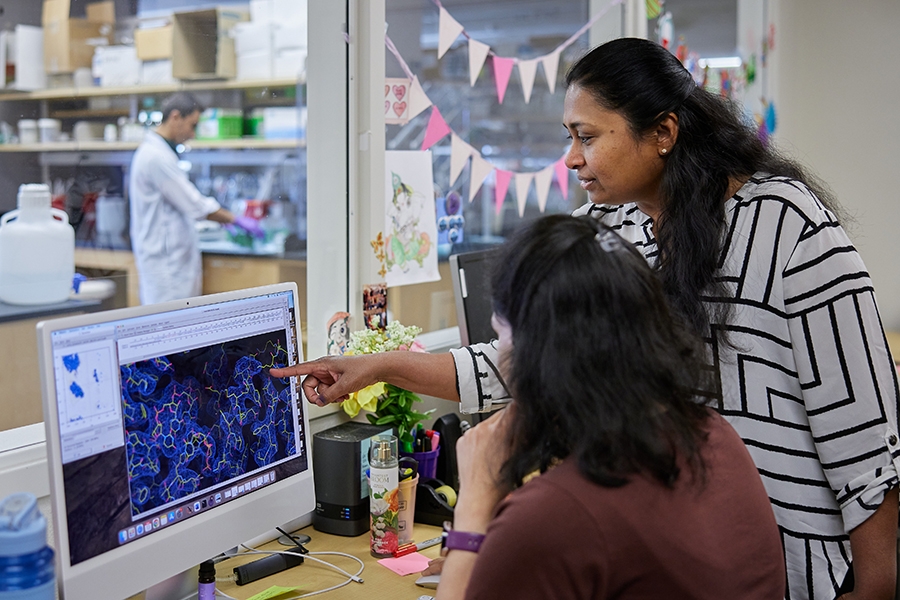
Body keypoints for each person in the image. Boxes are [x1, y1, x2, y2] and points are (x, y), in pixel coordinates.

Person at [271, 38, 900, 599]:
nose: (571, 158)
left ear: (663, 132)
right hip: (679, 554)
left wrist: (875, 585)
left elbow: (865, 434)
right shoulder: (611, 227)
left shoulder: (788, 225)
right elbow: (522, 362)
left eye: (588, 136)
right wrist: (378, 365)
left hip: (803, 567)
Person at [437, 215, 787, 599]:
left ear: (535, 354)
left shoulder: (555, 515)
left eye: (500, 332)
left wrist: (475, 501)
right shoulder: (715, 434)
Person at [129, 92, 260, 304]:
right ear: (175, 117)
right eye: (192, 125)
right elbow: (195, 205)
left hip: (171, 261)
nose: (192, 134)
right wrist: (233, 219)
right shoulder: (155, 157)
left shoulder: (161, 153)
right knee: (169, 330)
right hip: (165, 266)